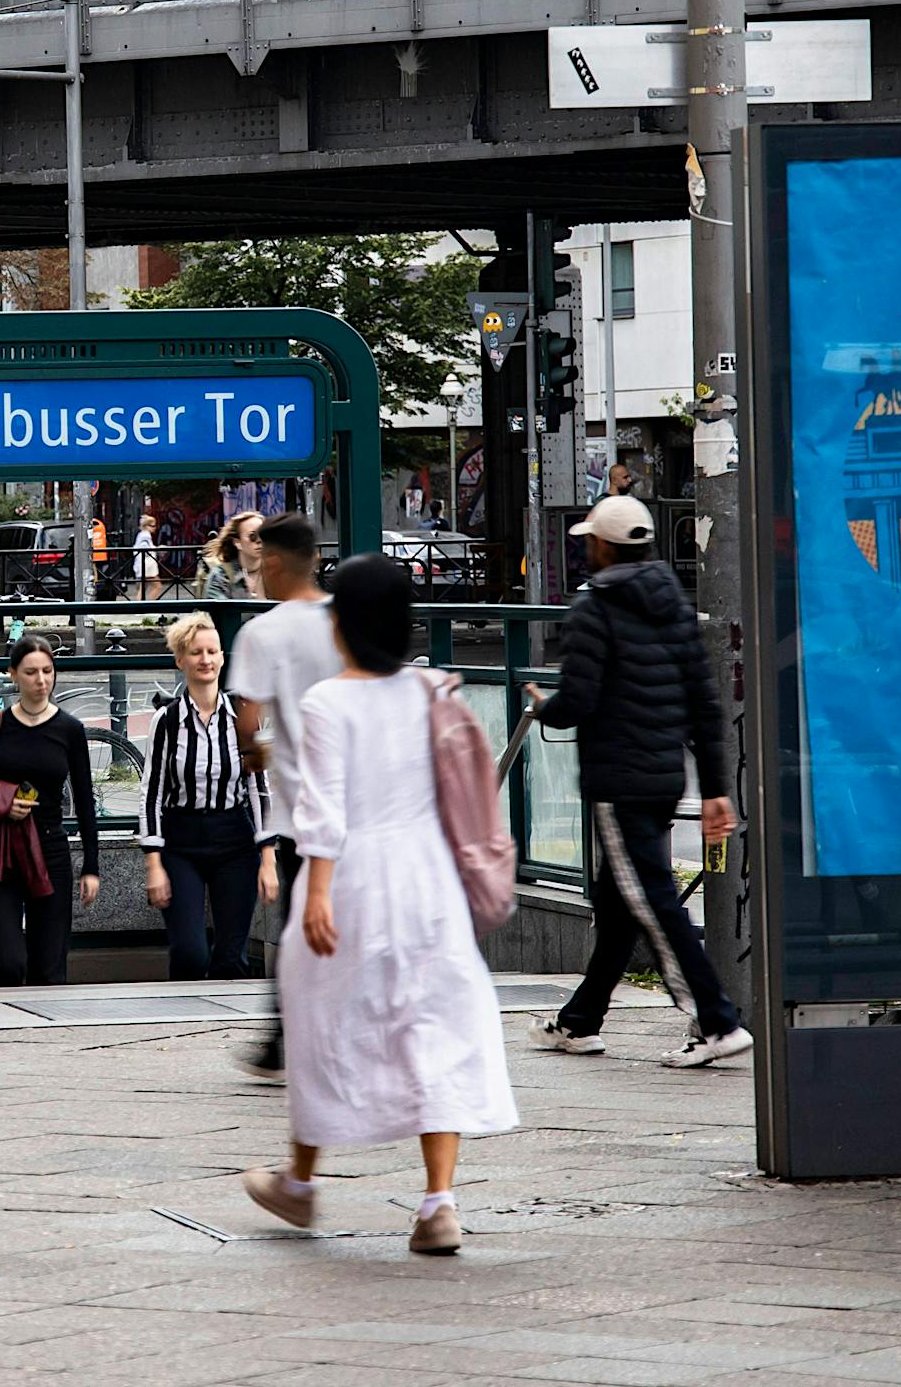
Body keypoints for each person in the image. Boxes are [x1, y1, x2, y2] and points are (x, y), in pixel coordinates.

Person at [243, 554, 518, 1255]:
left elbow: (325, 806)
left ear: (346, 623)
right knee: (431, 1025)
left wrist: (321, 891)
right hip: (428, 883)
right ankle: (438, 1201)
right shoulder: (427, 689)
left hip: (355, 880)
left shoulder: (328, 702)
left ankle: (301, 1183)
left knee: (321, 1020)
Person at [524, 493, 750, 1069]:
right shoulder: (673, 604)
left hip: (617, 781)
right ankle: (580, 1021)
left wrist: (542, 705)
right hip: (663, 777)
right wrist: (719, 787)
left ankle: (715, 1020)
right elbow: (704, 701)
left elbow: (579, 699)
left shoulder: (592, 610)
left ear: (601, 546)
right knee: (619, 900)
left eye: (588, 542)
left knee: (651, 901)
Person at [227, 514, 341, 1080]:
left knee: (301, 923)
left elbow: (247, 721)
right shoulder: (346, 621)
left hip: (302, 810)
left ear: (271, 562)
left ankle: (286, 1036)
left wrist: (259, 749)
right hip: (358, 800)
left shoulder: (261, 633)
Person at [0, 634, 100, 986]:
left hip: (50, 849)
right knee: (8, 961)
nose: (41, 681)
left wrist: (91, 866)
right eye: (31, 672)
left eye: (47, 671)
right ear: (13, 674)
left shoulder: (69, 729)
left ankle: (48, 1037)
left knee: (49, 967)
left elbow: (86, 801)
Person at [142, 613, 277, 979]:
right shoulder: (167, 721)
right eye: (196, 652)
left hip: (233, 838)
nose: (205, 659)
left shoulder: (241, 716)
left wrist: (267, 858)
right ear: (180, 660)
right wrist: (153, 863)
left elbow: (259, 788)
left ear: (222, 657)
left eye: (212, 651)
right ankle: (180, 1030)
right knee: (190, 955)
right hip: (180, 840)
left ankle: (227, 1034)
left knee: (231, 958)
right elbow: (151, 793)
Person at [201, 510, 263, 600]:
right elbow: (219, 611)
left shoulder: (278, 572)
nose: (260, 541)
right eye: (252, 536)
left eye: (264, 534)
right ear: (237, 542)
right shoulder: (221, 576)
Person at [133, 512, 160, 603]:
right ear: (146, 526)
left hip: (143, 565)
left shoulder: (142, 535)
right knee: (157, 586)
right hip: (147, 566)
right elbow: (145, 550)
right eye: (152, 526)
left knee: (143, 588)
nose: (154, 528)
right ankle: (150, 606)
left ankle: (140, 607)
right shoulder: (145, 536)